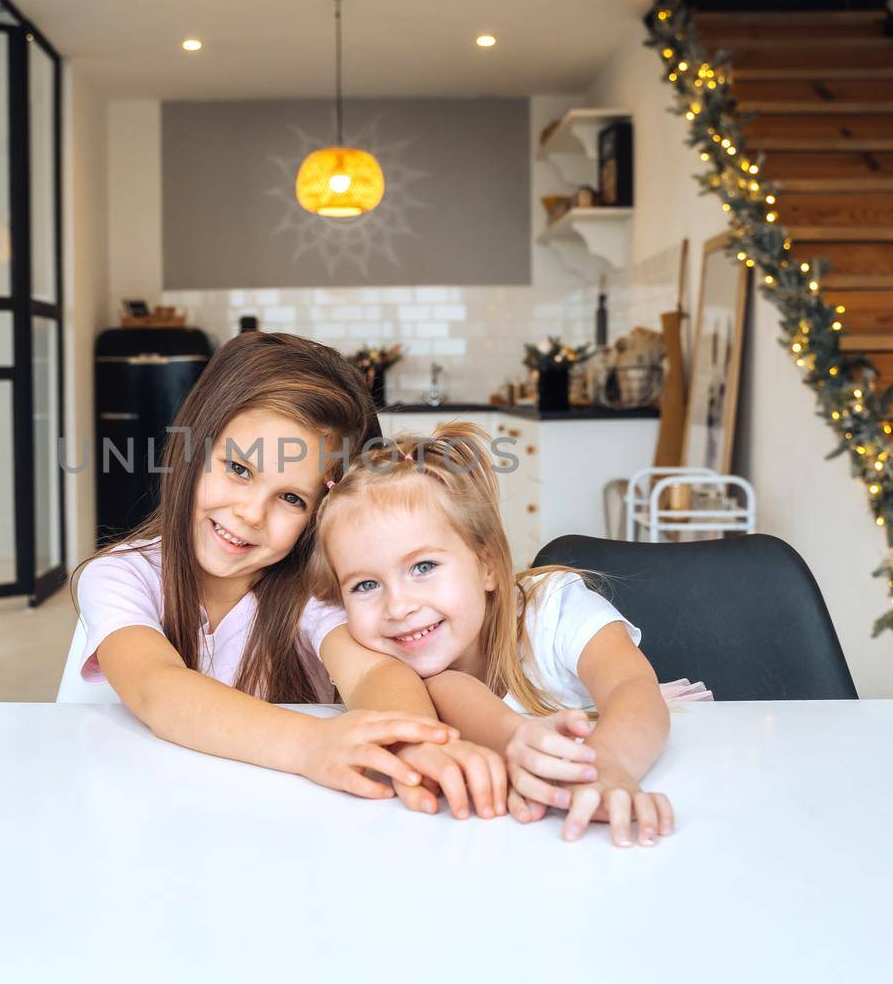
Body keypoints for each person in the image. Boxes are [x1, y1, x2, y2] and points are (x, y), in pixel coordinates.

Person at [72, 334, 508, 818]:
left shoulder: (311, 593)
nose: (251, 513)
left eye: (292, 499)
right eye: (238, 468)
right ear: (193, 448)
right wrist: (311, 746)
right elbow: (158, 687)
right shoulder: (119, 575)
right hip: (143, 812)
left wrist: (409, 747)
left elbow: (377, 674)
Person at [311, 422, 711, 846]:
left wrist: (606, 768)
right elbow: (459, 694)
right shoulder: (382, 661)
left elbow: (632, 687)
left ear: (486, 564)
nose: (398, 607)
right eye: (365, 585)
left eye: (423, 567)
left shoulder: (552, 608)